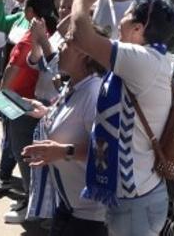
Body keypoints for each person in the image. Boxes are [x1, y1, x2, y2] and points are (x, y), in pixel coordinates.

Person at [71, 0, 174, 236]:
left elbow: (80, 37)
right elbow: (75, 32)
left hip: (135, 203)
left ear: (139, 28)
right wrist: (88, 1)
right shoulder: (149, 58)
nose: (121, 20)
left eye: (128, 14)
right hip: (139, 196)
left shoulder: (140, 60)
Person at [20, 24, 110, 236]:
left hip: (89, 218)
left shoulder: (94, 93)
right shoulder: (74, 86)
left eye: (67, 42)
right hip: (68, 207)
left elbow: (106, 151)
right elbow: (71, 120)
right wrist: (46, 111)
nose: (59, 46)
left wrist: (62, 152)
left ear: (85, 54)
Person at [0, 0, 58, 224]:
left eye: (25, 6)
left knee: (22, 152)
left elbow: (11, 71)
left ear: (31, 12)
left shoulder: (31, 39)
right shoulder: (46, 34)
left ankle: (33, 203)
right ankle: (33, 200)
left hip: (21, 102)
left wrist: (1, 97)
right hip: (31, 100)